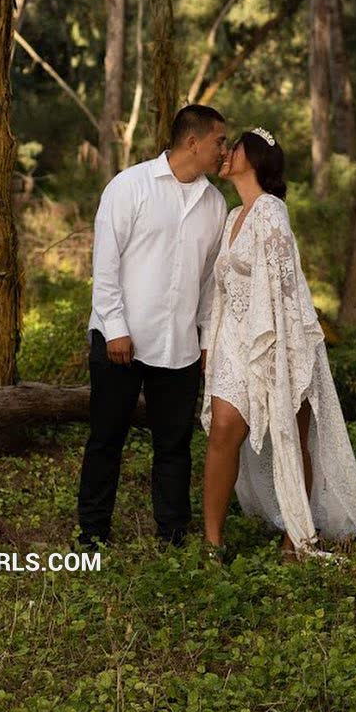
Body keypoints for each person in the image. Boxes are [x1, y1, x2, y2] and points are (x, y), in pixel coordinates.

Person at [200, 127, 356, 562]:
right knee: (223, 430)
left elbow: (286, 288)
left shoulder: (271, 211)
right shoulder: (233, 217)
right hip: (232, 342)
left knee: (291, 434)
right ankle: (211, 544)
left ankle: (295, 539)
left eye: (234, 147)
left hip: (277, 339)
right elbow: (219, 291)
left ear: (254, 158)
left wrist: (287, 356)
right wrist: (208, 344)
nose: (225, 152)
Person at [77, 104, 228, 548]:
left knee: (174, 444)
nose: (224, 150)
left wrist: (205, 337)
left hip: (179, 345)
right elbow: (105, 264)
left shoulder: (215, 204)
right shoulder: (130, 186)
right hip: (121, 340)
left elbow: (209, 281)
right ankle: (92, 534)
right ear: (192, 142)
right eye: (219, 141)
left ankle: (173, 534)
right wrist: (115, 328)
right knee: (106, 439)